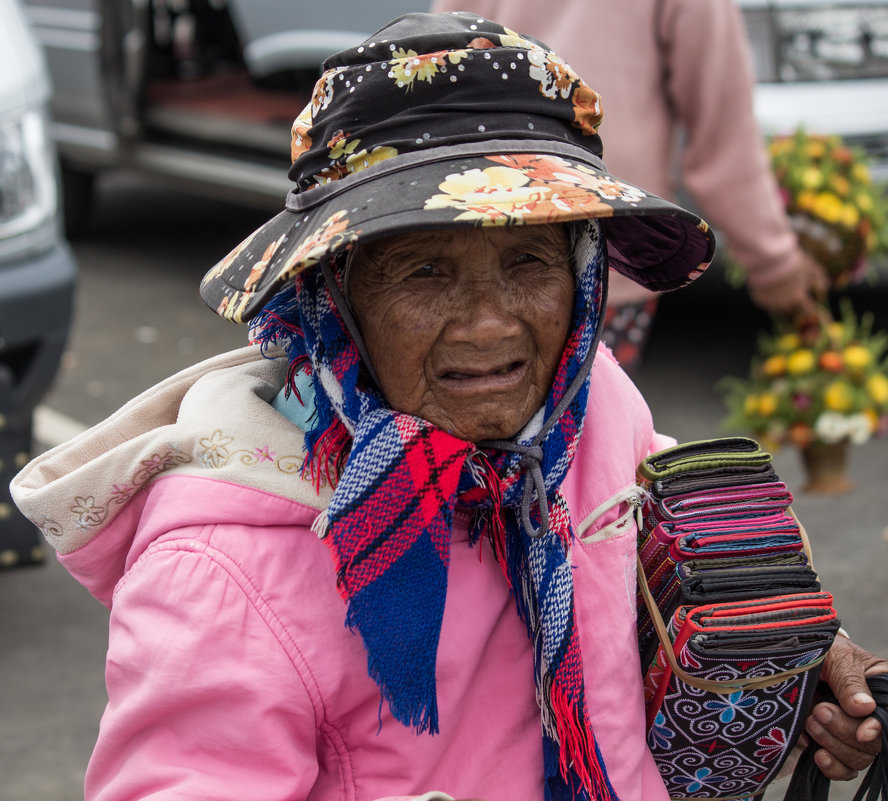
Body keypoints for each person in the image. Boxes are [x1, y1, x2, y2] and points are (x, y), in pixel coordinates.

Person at [10, 12, 884, 801]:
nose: (492, 323)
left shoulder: (591, 407)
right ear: (336, 297)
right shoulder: (220, 576)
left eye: (531, 262)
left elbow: (650, 531)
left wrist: (804, 656)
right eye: (424, 269)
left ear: (582, 279)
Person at [431, 0, 830, 373]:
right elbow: (723, 138)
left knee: (490, 422)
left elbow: (443, 63)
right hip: (612, 228)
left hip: (488, 212)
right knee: (592, 427)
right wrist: (775, 263)